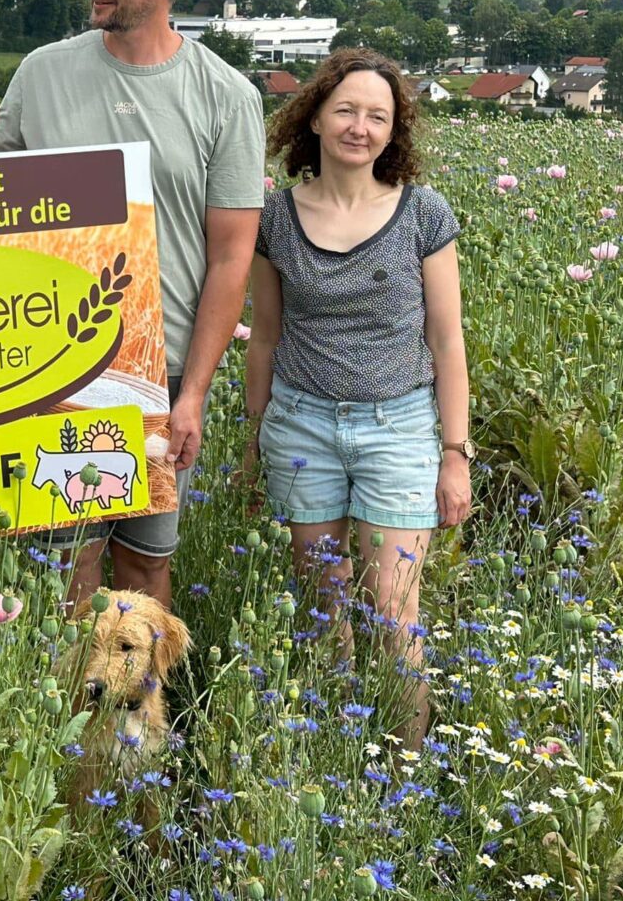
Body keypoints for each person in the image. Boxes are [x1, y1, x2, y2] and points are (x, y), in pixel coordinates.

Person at [0, 0, 264, 612]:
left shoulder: (227, 96)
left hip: (163, 371)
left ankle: (140, 691)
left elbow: (232, 259)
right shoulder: (42, 73)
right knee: (70, 567)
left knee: (146, 567)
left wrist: (193, 395)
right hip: (57, 365)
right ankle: (74, 691)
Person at [244, 47, 471, 749]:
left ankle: (403, 773)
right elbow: (264, 338)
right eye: (345, 110)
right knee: (322, 607)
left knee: (393, 611)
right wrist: (254, 442)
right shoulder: (275, 219)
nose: (359, 127)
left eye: (377, 115)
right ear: (314, 117)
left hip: (398, 427)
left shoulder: (423, 213)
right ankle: (337, 758)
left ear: (393, 130)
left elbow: (447, 341)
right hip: (301, 427)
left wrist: (455, 454)